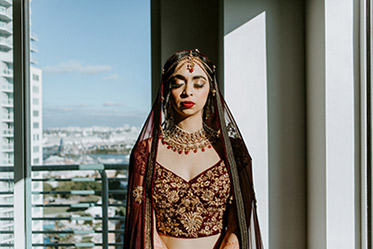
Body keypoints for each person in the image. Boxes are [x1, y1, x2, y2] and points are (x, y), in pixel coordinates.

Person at [123, 49, 263, 249]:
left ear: (211, 90)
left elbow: (238, 226)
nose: (188, 91)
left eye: (198, 83)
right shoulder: (145, 152)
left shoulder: (233, 151)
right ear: (166, 91)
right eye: (177, 83)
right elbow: (144, 227)